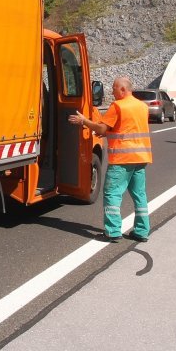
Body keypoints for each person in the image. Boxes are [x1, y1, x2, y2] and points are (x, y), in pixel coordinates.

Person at [69, 76, 152, 243]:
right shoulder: (142, 106)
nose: (112, 92)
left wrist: (84, 121)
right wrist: (106, 131)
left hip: (122, 158)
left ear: (122, 89)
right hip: (141, 157)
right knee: (139, 195)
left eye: (114, 88)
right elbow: (126, 128)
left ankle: (113, 231)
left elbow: (101, 127)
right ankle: (142, 231)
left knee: (112, 193)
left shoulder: (118, 106)